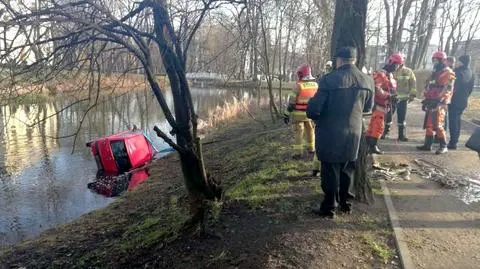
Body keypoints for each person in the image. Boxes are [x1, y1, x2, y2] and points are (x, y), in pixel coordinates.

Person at [306, 46, 373, 218]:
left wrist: (312, 109)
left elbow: (313, 110)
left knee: (329, 169)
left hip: (330, 132)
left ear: (339, 60)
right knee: (348, 167)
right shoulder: (367, 80)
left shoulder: (329, 80)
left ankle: (329, 207)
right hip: (354, 133)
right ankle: (346, 203)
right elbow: (368, 108)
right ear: (355, 60)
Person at [417, 51, 455, 154]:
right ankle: (427, 145)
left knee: (438, 124)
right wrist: (426, 98)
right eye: (433, 60)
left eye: (436, 60)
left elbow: (448, 90)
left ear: (442, 60)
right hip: (431, 101)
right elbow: (428, 85)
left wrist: (440, 100)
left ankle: (443, 145)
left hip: (440, 103)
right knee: (429, 124)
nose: (434, 62)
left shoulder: (448, 73)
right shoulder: (434, 72)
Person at [365, 53, 401, 154]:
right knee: (378, 125)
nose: (397, 67)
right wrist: (389, 96)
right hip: (379, 103)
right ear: (391, 63)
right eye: (396, 64)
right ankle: (372, 145)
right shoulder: (381, 74)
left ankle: (368, 143)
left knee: (374, 124)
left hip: (385, 104)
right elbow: (377, 89)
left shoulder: (390, 75)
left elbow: (390, 89)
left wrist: (393, 97)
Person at [284, 64, 319, 158]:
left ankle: (298, 153)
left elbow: (291, 103)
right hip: (311, 114)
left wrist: (286, 114)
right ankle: (311, 149)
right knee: (311, 130)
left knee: (299, 132)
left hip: (299, 115)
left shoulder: (298, 86)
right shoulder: (316, 85)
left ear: (301, 74)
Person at [382, 53, 416, 141]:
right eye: (395, 63)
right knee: (388, 116)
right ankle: (385, 133)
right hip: (391, 98)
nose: (396, 65)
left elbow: (413, 83)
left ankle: (401, 135)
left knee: (402, 118)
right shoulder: (389, 71)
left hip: (403, 99)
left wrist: (412, 94)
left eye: (398, 63)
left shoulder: (408, 71)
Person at [448, 55, 475, 149]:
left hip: (454, 100)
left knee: (453, 122)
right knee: (457, 121)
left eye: (459, 61)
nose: (457, 62)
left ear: (462, 62)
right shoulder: (471, 73)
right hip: (463, 101)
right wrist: (465, 97)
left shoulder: (457, 72)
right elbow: (471, 88)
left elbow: (452, 87)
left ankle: (453, 143)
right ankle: (455, 140)